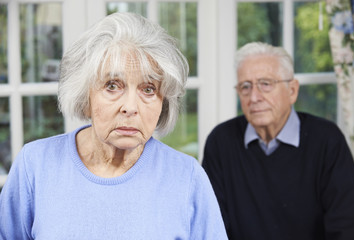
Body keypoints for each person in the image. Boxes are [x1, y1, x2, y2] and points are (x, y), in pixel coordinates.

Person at [0, 12, 227, 239]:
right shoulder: (35, 165)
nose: (130, 107)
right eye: (112, 86)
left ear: (163, 103)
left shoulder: (187, 177)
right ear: (85, 97)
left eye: (148, 89)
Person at [202, 42, 354, 240]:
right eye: (245, 86)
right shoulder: (221, 141)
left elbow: (347, 227)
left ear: (292, 90)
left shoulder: (327, 140)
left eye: (265, 84)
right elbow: (211, 227)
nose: (254, 97)